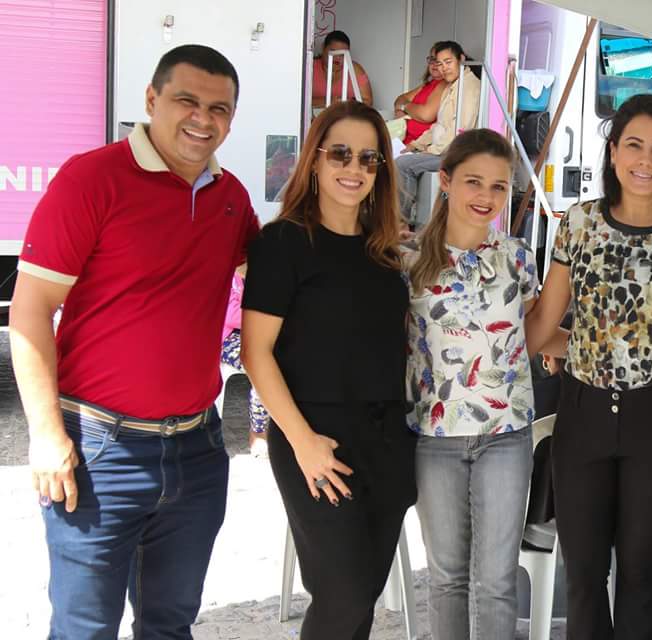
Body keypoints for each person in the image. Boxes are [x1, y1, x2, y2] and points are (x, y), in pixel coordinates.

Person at [11, 45, 258, 639]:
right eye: (186, 101)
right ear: (151, 99)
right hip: (100, 452)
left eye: (219, 109)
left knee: (169, 625)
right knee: (84, 629)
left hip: (197, 450)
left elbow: (278, 283)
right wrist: (46, 435)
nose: (202, 119)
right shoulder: (91, 179)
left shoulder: (230, 197)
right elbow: (31, 309)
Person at [526, 93, 652, 640]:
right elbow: (545, 321)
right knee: (584, 576)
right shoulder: (580, 223)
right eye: (634, 145)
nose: (645, 160)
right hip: (583, 414)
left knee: (640, 576)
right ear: (612, 152)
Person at [241, 100, 415, 640]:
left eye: (368, 158)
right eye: (340, 153)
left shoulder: (386, 251)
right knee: (342, 597)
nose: (353, 168)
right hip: (316, 439)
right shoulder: (283, 242)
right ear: (314, 160)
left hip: (388, 441)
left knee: (361, 601)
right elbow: (256, 353)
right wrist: (303, 442)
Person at [404, 128, 539, 638]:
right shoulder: (408, 259)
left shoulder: (517, 257)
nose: (486, 196)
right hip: (434, 438)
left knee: (498, 580)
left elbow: (536, 332)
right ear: (445, 181)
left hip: (506, 435)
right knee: (446, 579)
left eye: (499, 186)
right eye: (474, 182)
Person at [396, 41, 481, 226]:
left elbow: (460, 129)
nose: (443, 68)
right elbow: (439, 125)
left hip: (456, 156)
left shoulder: (469, 87)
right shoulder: (452, 86)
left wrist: (431, 151)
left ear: (461, 59)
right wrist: (416, 145)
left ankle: (402, 224)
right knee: (401, 157)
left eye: (448, 62)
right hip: (442, 150)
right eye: (440, 64)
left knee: (403, 165)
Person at [219, 269, 271, 457]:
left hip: (257, 331)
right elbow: (230, 314)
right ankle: (258, 431)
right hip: (226, 337)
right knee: (263, 366)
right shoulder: (226, 274)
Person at [393, 47, 446, 147]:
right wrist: (400, 111)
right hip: (404, 141)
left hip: (420, 145)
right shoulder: (428, 84)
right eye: (432, 59)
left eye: (438, 61)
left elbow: (426, 115)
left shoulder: (444, 84)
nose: (434, 64)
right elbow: (400, 99)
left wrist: (404, 107)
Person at [311, 30, 373, 110]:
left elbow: (368, 101)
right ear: (323, 48)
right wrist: (329, 101)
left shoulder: (355, 69)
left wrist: (343, 103)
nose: (337, 58)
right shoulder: (310, 67)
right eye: (333, 51)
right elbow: (298, 99)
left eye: (342, 54)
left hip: (346, 116)